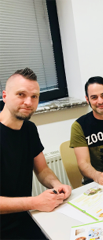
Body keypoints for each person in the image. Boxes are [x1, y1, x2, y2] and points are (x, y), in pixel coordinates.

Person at [0, 68, 72, 239]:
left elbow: (42, 170)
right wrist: (35, 202)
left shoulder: (29, 129)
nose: (28, 102)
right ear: (4, 96)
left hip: (26, 218)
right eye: (21, 94)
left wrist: (57, 185)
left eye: (34, 97)